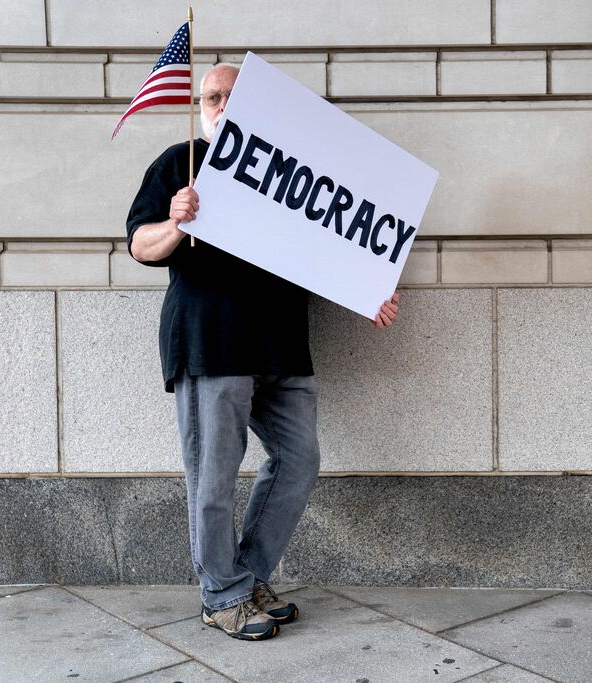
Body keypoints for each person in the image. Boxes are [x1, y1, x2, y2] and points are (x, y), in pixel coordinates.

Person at [127, 63, 401, 641]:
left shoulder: (292, 170)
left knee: (299, 462)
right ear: (201, 106)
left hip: (282, 347)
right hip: (212, 344)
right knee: (213, 478)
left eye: (233, 95)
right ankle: (221, 596)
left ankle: (245, 578)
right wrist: (176, 223)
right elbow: (139, 245)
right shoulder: (183, 162)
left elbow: (333, 243)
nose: (221, 105)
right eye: (212, 97)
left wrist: (368, 289)